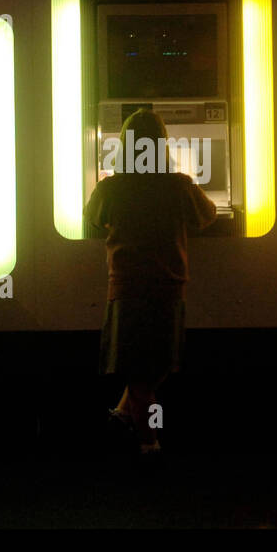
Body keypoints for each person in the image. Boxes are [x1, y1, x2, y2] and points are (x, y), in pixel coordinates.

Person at [86, 110, 217, 458]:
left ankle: (122, 417)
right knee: (154, 367)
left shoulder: (110, 187)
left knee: (139, 366)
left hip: (127, 287)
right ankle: (149, 443)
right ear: (162, 145)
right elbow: (208, 216)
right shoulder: (179, 185)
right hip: (168, 287)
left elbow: (92, 218)